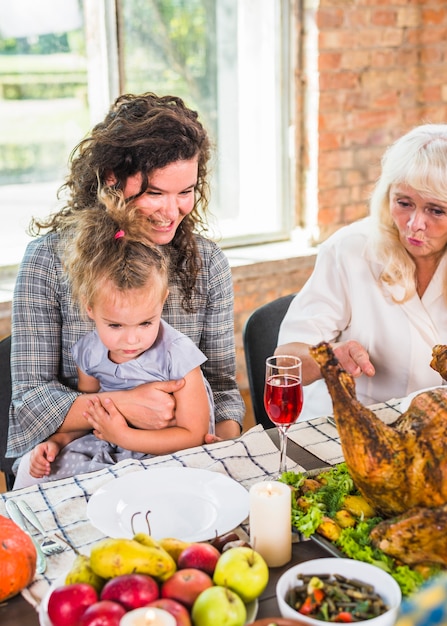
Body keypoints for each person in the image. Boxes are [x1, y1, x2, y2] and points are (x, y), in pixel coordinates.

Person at [7, 92, 244, 479]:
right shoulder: (48, 262)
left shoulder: (207, 264)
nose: (173, 212)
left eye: (185, 192)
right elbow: (30, 399)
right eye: (155, 193)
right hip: (81, 452)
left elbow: (220, 385)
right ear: (113, 181)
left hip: (179, 455)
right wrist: (124, 406)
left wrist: (221, 442)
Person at [13, 190, 215, 487]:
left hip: (167, 452)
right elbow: (89, 413)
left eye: (146, 322)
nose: (132, 339)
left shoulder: (178, 355)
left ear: (162, 303)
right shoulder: (89, 353)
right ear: (90, 308)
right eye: (116, 325)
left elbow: (192, 436)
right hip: (112, 446)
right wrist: (57, 441)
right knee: (45, 478)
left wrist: (124, 435)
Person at [276, 123, 447, 420]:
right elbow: (285, 361)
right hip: (348, 430)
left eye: (436, 210)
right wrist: (330, 357)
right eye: (403, 203)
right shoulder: (350, 250)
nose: (415, 224)